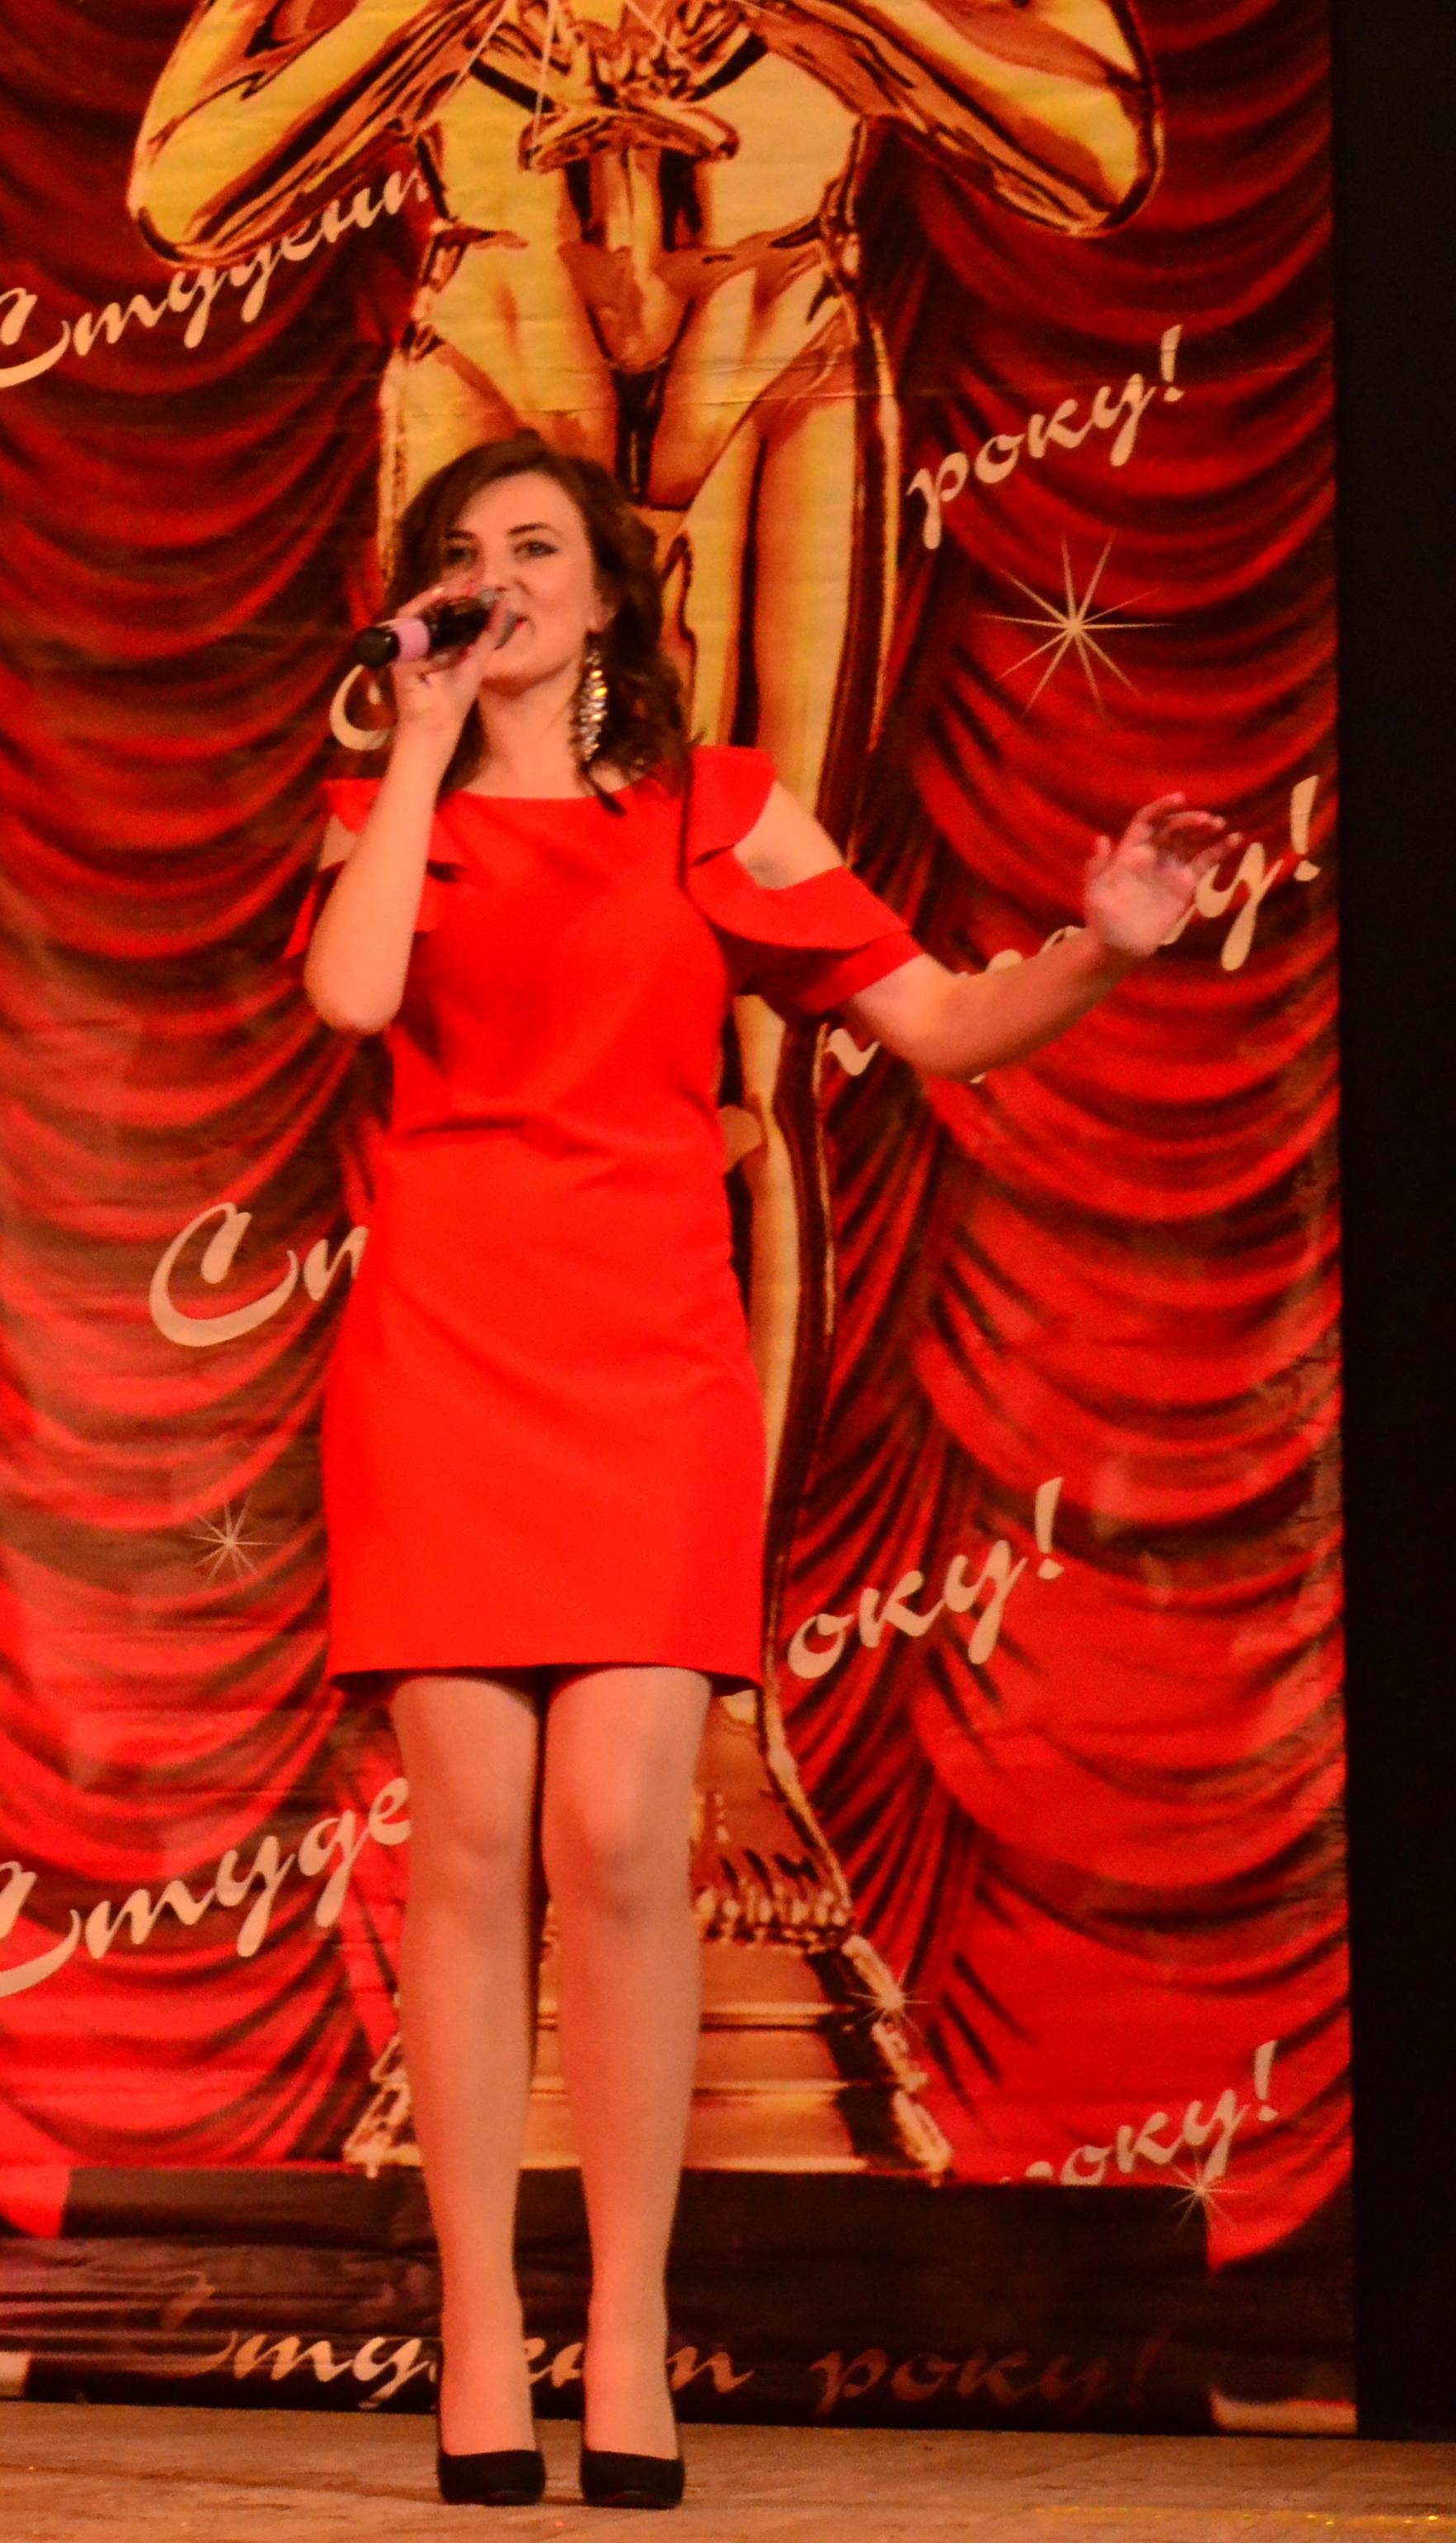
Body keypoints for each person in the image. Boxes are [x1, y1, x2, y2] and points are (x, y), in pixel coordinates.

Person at [290, 434, 1222, 2511]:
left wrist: (1105, 946)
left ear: (609, 596)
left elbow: (943, 1023)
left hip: (647, 1365)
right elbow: (353, 996)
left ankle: (627, 2321)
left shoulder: (717, 808)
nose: (501, 575)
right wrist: (422, 745)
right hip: (443, 1356)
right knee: (474, 1842)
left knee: (623, 1832)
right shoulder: (383, 813)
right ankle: (475, 2328)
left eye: (538, 547)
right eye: (464, 553)